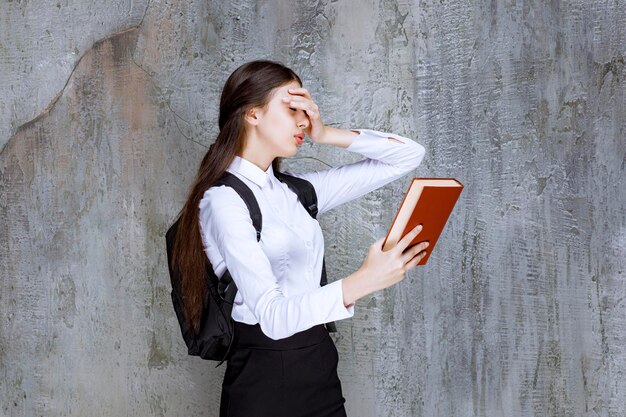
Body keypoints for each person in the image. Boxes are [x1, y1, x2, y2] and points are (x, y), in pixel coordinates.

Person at [171, 59, 429, 417]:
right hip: (263, 378)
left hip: (319, 364)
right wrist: (362, 282)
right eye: (292, 108)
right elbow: (273, 318)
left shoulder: (298, 192)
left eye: (305, 110)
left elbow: (408, 155)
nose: (303, 120)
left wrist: (327, 134)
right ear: (252, 114)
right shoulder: (223, 201)